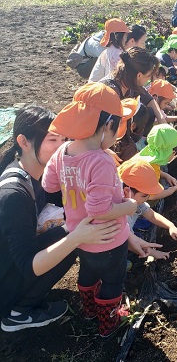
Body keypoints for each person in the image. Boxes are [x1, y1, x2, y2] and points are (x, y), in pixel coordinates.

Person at [0, 106, 123, 333]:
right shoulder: (13, 194)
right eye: (52, 140)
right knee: (70, 238)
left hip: (15, 261)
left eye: (64, 139)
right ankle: (18, 312)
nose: (61, 147)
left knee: (70, 231)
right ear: (24, 142)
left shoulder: (42, 174)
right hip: (7, 279)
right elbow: (28, 266)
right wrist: (76, 238)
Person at [42, 83, 144, 337]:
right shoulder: (101, 160)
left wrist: (72, 184)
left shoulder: (62, 151)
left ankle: (89, 310)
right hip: (109, 238)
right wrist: (130, 206)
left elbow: (49, 185)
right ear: (108, 125)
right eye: (118, 128)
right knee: (113, 280)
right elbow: (99, 209)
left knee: (88, 272)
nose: (117, 136)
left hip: (80, 235)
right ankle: (107, 324)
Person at [103, 47, 164, 161]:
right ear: (139, 75)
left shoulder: (129, 82)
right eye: (148, 76)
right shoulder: (110, 92)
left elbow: (149, 99)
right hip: (101, 140)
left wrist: (161, 119)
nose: (149, 80)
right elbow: (96, 128)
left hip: (116, 134)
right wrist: (105, 151)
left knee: (149, 112)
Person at [118, 157, 177, 245]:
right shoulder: (121, 217)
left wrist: (170, 226)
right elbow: (130, 243)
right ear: (127, 191)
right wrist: (151, 250)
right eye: (144, 195)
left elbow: (151, 215)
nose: (147, 198)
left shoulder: (134, 200)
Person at [137, 124, 177, 201]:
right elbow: (151, 196)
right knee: (156, 201)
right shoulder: (151, 171)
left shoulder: (143, 158)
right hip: (137, 203)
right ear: (170, 152)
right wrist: (170, 191)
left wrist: (166, 176)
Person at [89, 18, 131, 82]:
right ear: (118, 36)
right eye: (125, 36)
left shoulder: (110, 49)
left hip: (96, 84)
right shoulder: (117, 53)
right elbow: (118, 76)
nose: (126, 39)